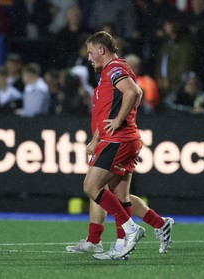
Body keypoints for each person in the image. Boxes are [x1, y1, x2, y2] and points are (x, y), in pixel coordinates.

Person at [81, 31, 146, 260]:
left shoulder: (114, 69)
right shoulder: (112, 70)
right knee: (119, 194)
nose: (89, 58)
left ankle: (131, 229)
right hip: (117, 138)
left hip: (118, 140)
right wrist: (97, 138)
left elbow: (134, 92)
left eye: (90, 52)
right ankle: (121, 246)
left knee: (91, 186)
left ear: (101, 50)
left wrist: (119, 121)